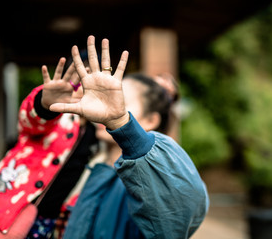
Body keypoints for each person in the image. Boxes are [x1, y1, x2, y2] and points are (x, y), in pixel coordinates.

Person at [48, 35, 209, 239]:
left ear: (151, 120)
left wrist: (123, 125)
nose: (106, 104)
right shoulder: (88, 161)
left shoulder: (152, 177)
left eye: (120, 102)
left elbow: (179, 211)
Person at [0, 56, 100, 238]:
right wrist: (46, 104)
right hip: (6, 208)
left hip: (49, 220)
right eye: (79, 80)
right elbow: (31, 120)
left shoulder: (97, 132)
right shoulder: (56, 116)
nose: (84, 88)